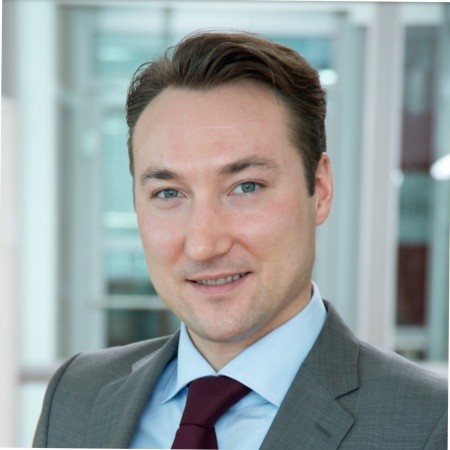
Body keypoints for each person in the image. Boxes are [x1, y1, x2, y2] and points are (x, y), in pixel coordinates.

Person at [33, 31, 447, 450]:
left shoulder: (429, 424)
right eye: (168, 193)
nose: (203, 245)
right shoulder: (75, 396)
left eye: (246, 187)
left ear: (320, 190)